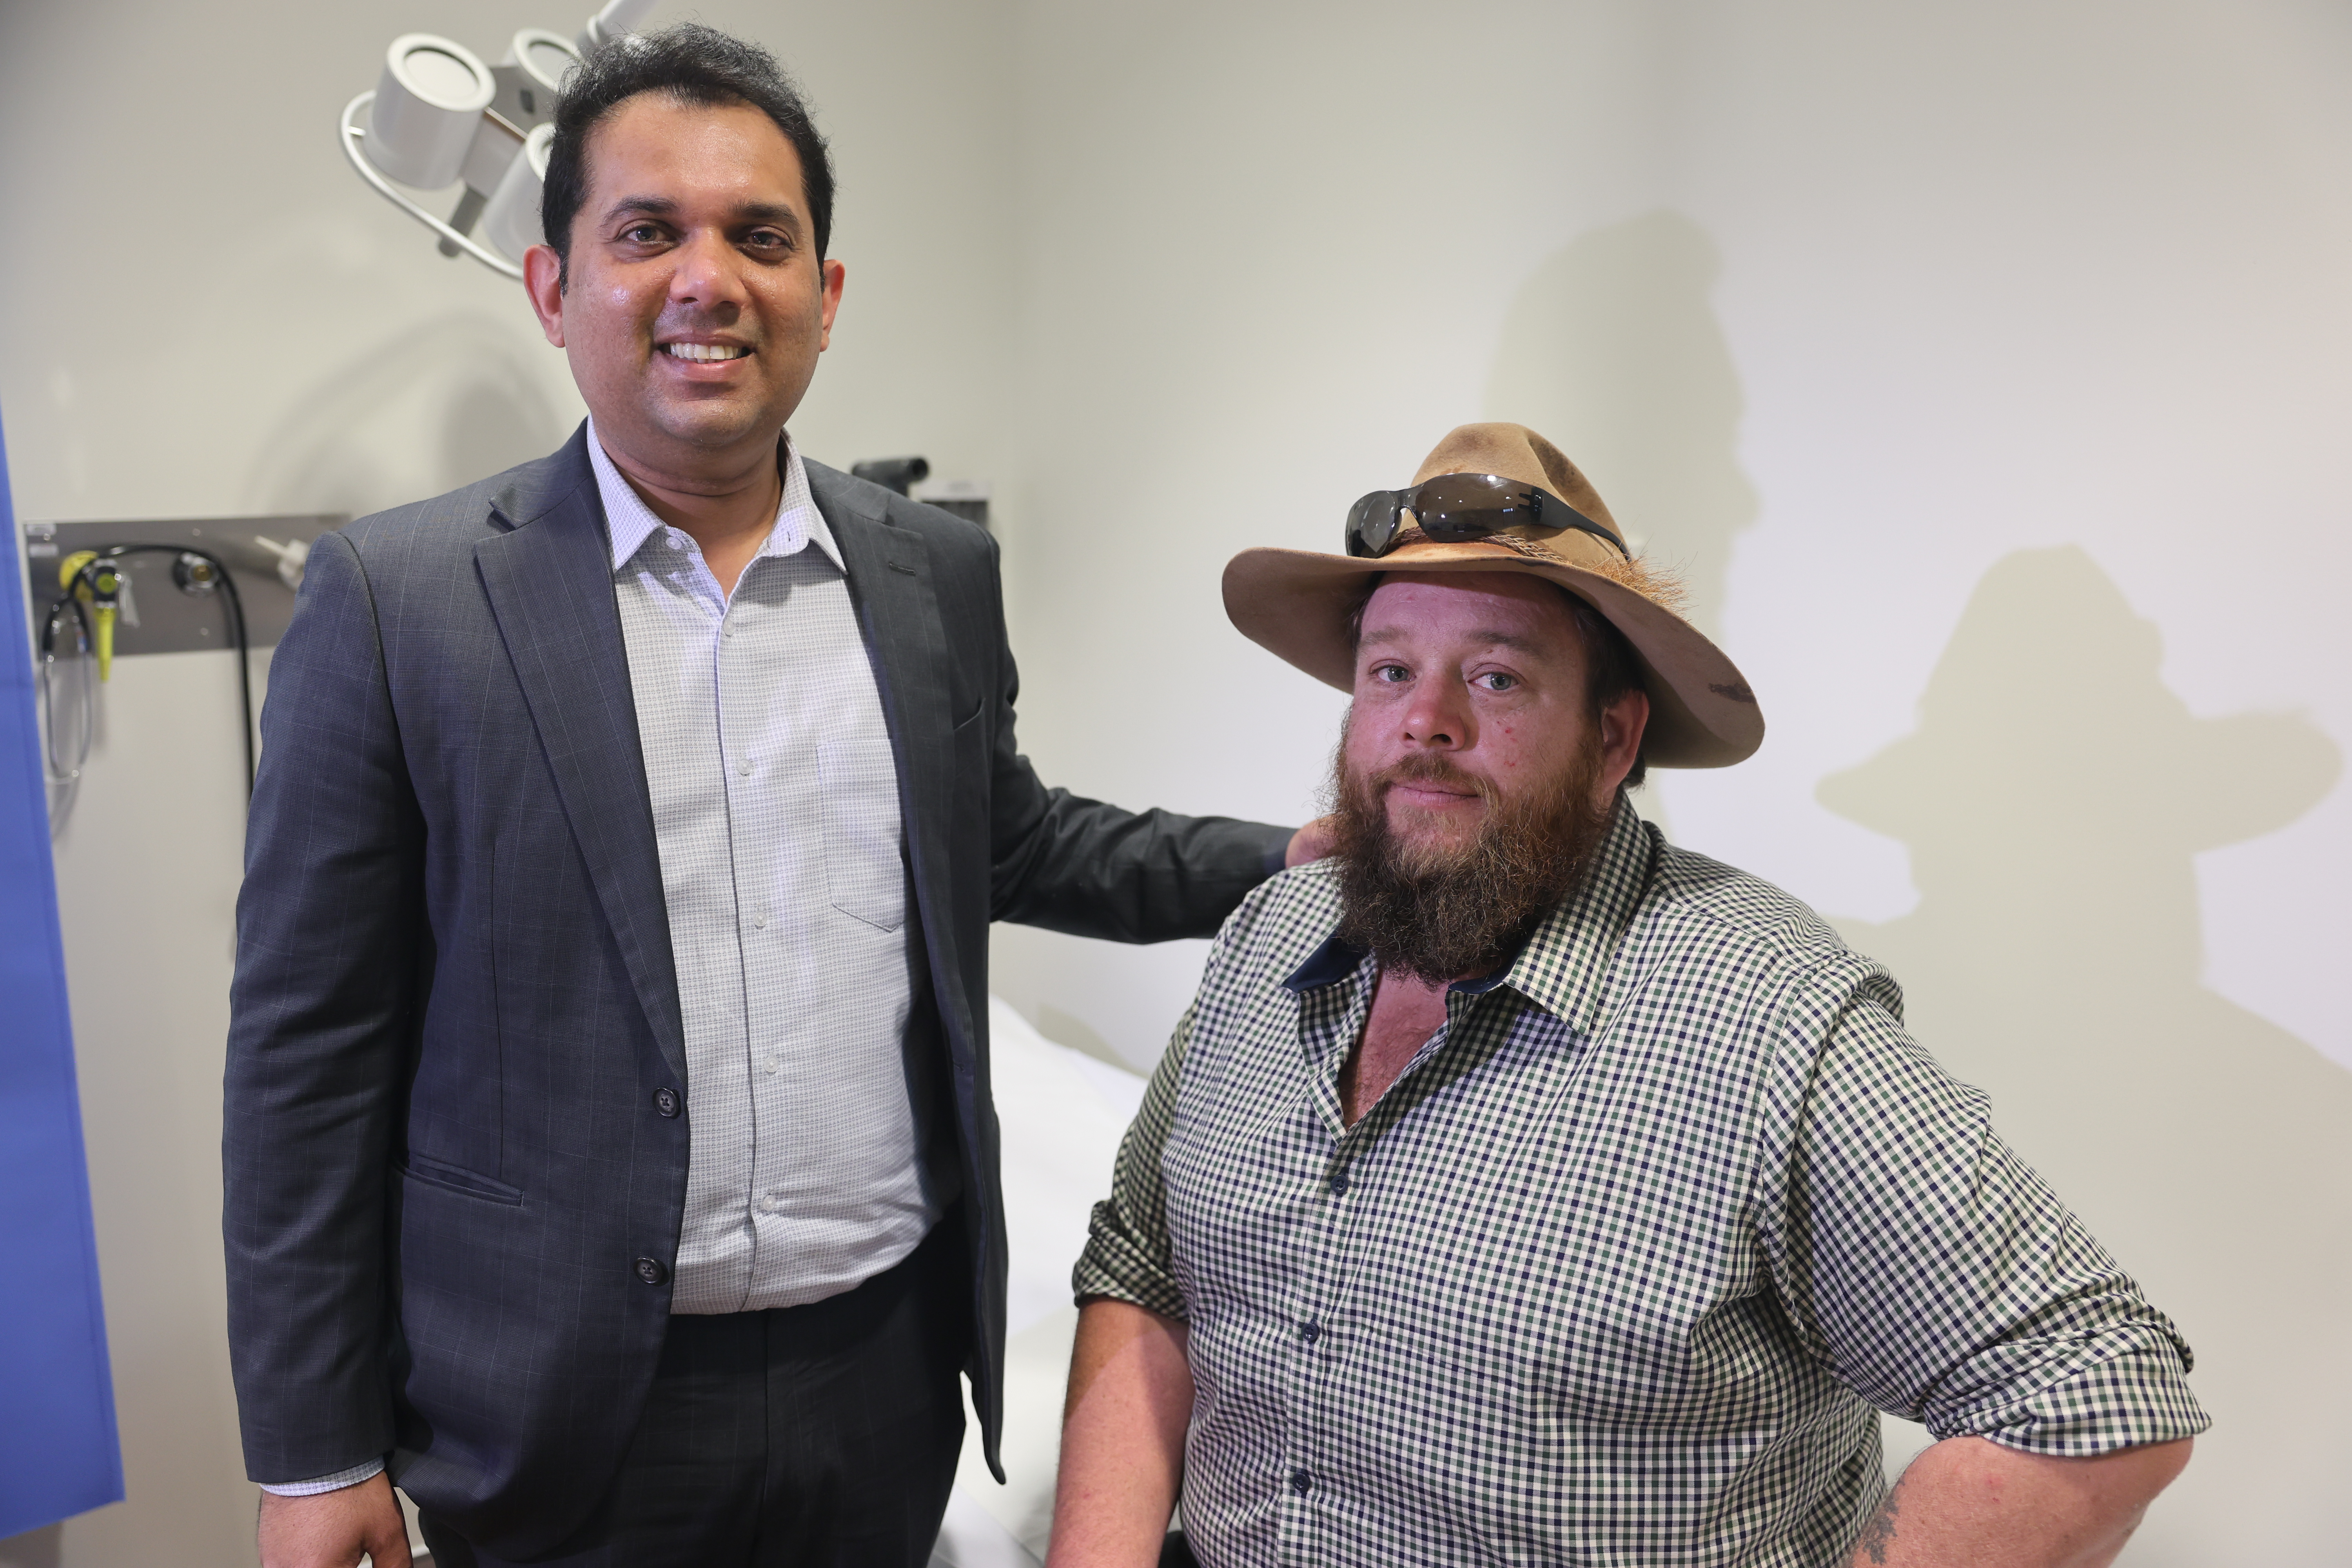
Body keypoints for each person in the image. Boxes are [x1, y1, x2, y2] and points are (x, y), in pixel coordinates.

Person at [223, 25, 1321, 1568]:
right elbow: (307, 1054)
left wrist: (1298, 860)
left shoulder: (935, 572)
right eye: (646, 233)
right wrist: (313, 1450)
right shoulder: (401, 600)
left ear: (826, 292)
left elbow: (1010, 841)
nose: (709, 280)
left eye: (760, 236)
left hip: (878, 1374)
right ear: (552, 288)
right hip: (561, 1400)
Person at [1050, 423, 2206, 1567]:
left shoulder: (1768, 1015)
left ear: (1612, 738)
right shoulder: (1269, 936)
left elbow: (2098, 1392)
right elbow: (1143, 1274)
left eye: (1496, 677)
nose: (1426, 720)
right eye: (1391, 671)